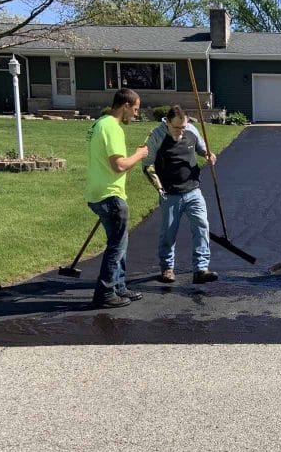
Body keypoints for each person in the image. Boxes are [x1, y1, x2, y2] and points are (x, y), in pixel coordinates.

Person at [85, 88, 149, 308]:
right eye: (135, 109)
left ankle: (119, 287)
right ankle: (105, 293)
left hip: (97, 192)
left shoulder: (99, 124)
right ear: (125, 106)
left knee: (121, 242)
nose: (136, 114)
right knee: (116, 245)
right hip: (110, 195)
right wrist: (139, 155)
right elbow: (118, 165)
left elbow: (114, 165)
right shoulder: (112, 127)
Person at [142, 105, 218, 284]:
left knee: (202, 226)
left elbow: (202, 150)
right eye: (176, 128)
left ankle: (201, 269)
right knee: (169, 233)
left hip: (193, 190)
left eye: (183, 127)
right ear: (167, 122)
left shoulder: (191, 130)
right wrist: (160, 190)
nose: (181, 131)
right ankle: (167, 268)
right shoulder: (157, 136)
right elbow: (147, 166)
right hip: (170, 194)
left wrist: (209, 155)